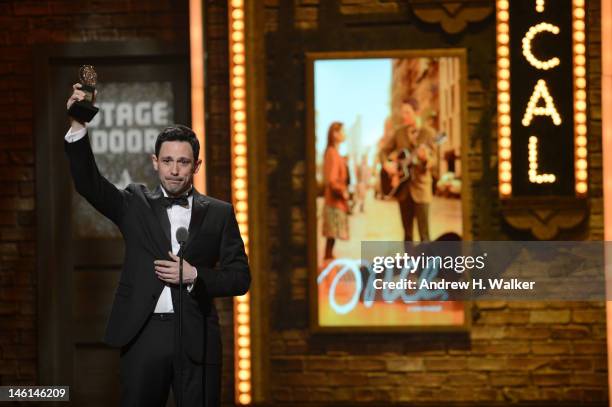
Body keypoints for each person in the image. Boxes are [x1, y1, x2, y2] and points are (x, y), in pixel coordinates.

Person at [65, 84, 250, 407]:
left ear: (197, 165)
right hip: (144, 333)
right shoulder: (134, 203)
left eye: (183, 162)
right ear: (155, 162)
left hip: (197, 337)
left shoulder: (219, 213)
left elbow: (240, 278)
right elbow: (89, 184)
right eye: (167, 161)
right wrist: (79, 124)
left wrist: (195, 275)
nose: (174, 170)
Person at [380, 98, 435, 242]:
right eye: (403, 112)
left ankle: (426, 264)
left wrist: (425, 159)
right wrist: (387, 165)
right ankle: (410, 264)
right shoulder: (398, 133)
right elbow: (383, 151)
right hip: (403, 190)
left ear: (417, 112)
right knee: (408, 235)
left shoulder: (428, 133)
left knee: (424, 235)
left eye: (407, 112)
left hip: (421, 190)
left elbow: (433, 160)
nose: (404, 115)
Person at [322, 122, 349, 260]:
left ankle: (328, 266)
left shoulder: (335, 152)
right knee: (331, 236)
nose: (345, 134)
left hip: (335, 201)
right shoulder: (332, 153)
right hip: (334, 201)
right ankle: (327, 273)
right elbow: (332, 180)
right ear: (335, 134)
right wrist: (342, 191)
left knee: (331, 238)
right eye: (342, 131)